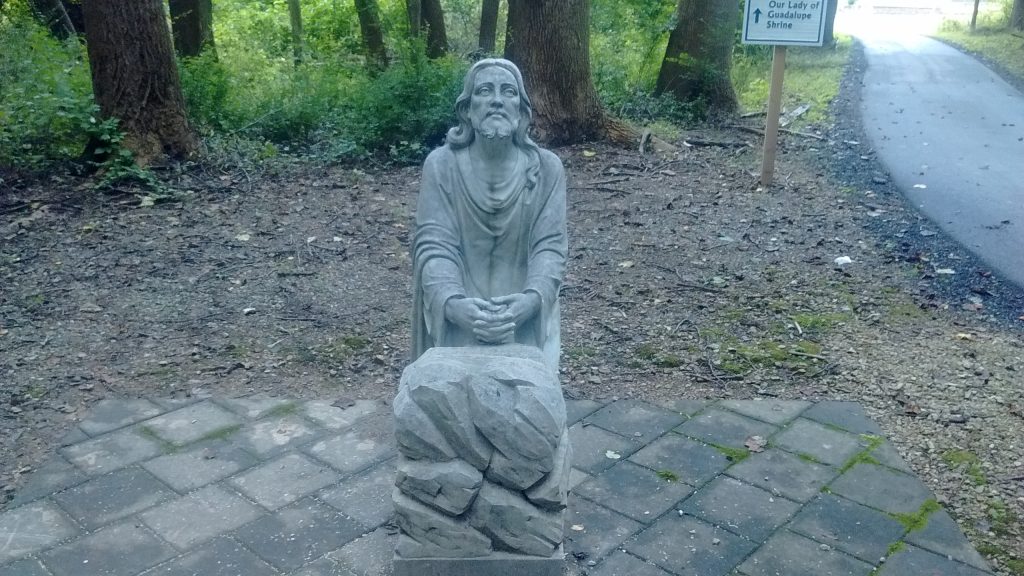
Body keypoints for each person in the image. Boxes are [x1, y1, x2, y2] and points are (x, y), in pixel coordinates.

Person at [411, 58, 567, 369]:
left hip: (523, 322)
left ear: (521, 110)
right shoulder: (442, 165)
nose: (497, 100)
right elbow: (434, 246)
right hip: (458, 322)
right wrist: (453, 305)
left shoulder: (547, 169)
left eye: (508, 91)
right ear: (467, 109)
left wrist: (531, 301)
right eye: (484, 91)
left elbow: (550, 247)